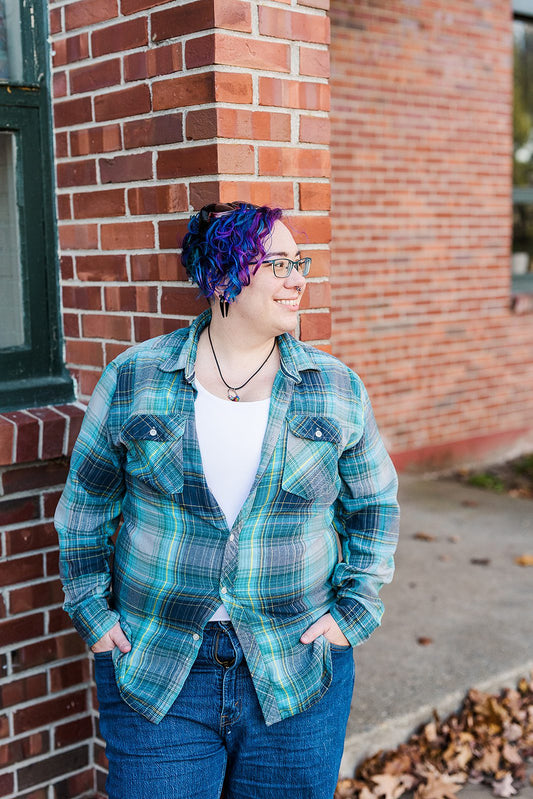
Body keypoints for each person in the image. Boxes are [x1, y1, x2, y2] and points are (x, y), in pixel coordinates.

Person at [55, 201, 400, 799]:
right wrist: (92, 611)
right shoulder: (136, 377)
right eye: (280, 264)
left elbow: (375, 506)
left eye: (301, 262)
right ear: (223, 276)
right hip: (156, 668)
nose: (299, 279)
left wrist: (355, 612)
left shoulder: (335, 389)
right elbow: (86, 503)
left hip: (295, 669)